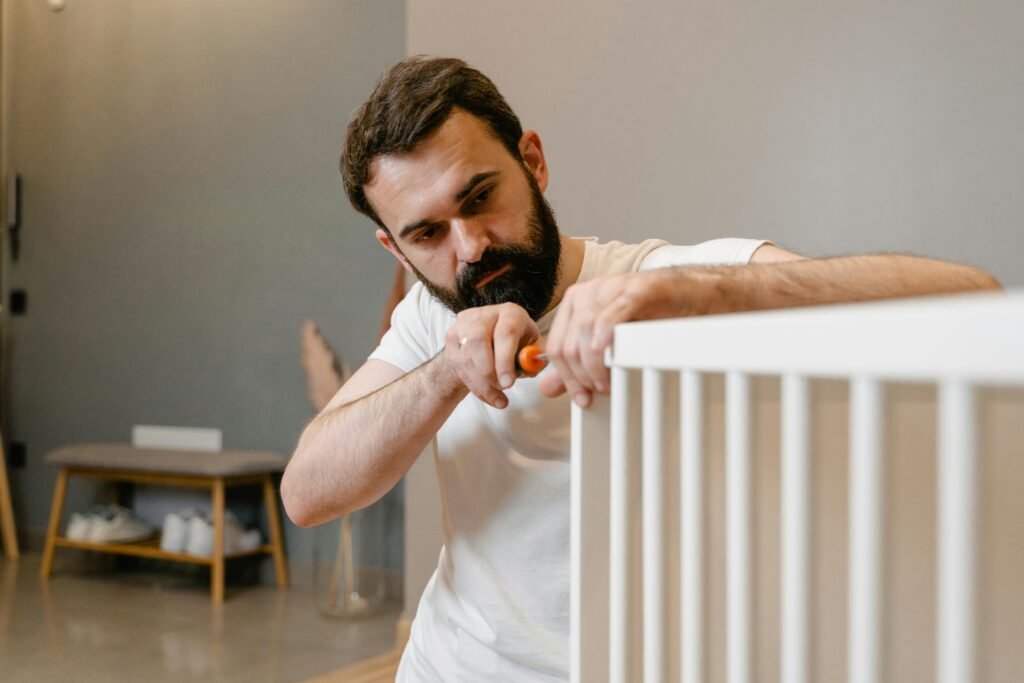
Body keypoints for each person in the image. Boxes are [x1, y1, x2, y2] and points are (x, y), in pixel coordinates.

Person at [281, 56, 1000, 681]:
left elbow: (974, 297)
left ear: (532, 160)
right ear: (394, 250)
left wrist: (707, 293)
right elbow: (307, 493)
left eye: (479, 197)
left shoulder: (661, 281)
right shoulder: (432, 315)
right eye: (428, 234)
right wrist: (445, 372)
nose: (469, 247)